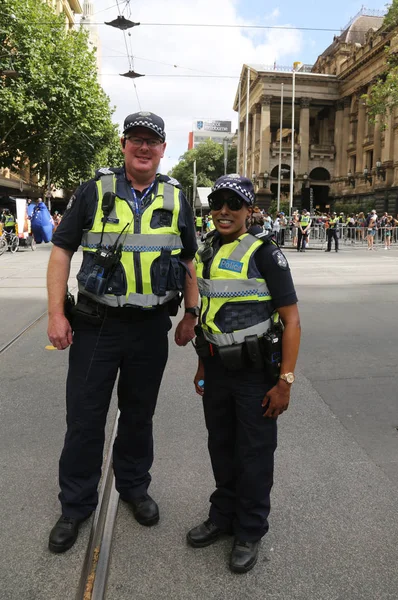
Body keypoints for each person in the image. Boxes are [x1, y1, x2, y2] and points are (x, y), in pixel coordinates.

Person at [46, 111, 199, 553]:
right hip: (97, 325)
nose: (144, 147)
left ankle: (133, 487)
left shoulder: (176, 196)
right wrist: (57, 314)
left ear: (163, 148)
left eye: (152, 141)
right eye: (136, 139)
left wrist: (191, 313)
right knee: (85, 419)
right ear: (124, 144)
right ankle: (75, 506)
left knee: (138, 415)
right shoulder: (95, 190)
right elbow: (61, 251)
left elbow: (188, 259)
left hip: (150, 328)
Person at [187, 174, 301, 574]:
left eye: (233, 204)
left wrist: (284, 382)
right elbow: (207, 316)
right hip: (217, 367)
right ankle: (223, 516)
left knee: (253, 454)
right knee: (221, 445)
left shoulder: (266, 254)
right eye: (218, 203)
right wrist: (203, 363)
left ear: (250, 210)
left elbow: (292, 321)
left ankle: (249, 530)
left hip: (255, 374)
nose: (223, 211)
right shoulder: (206, 251)